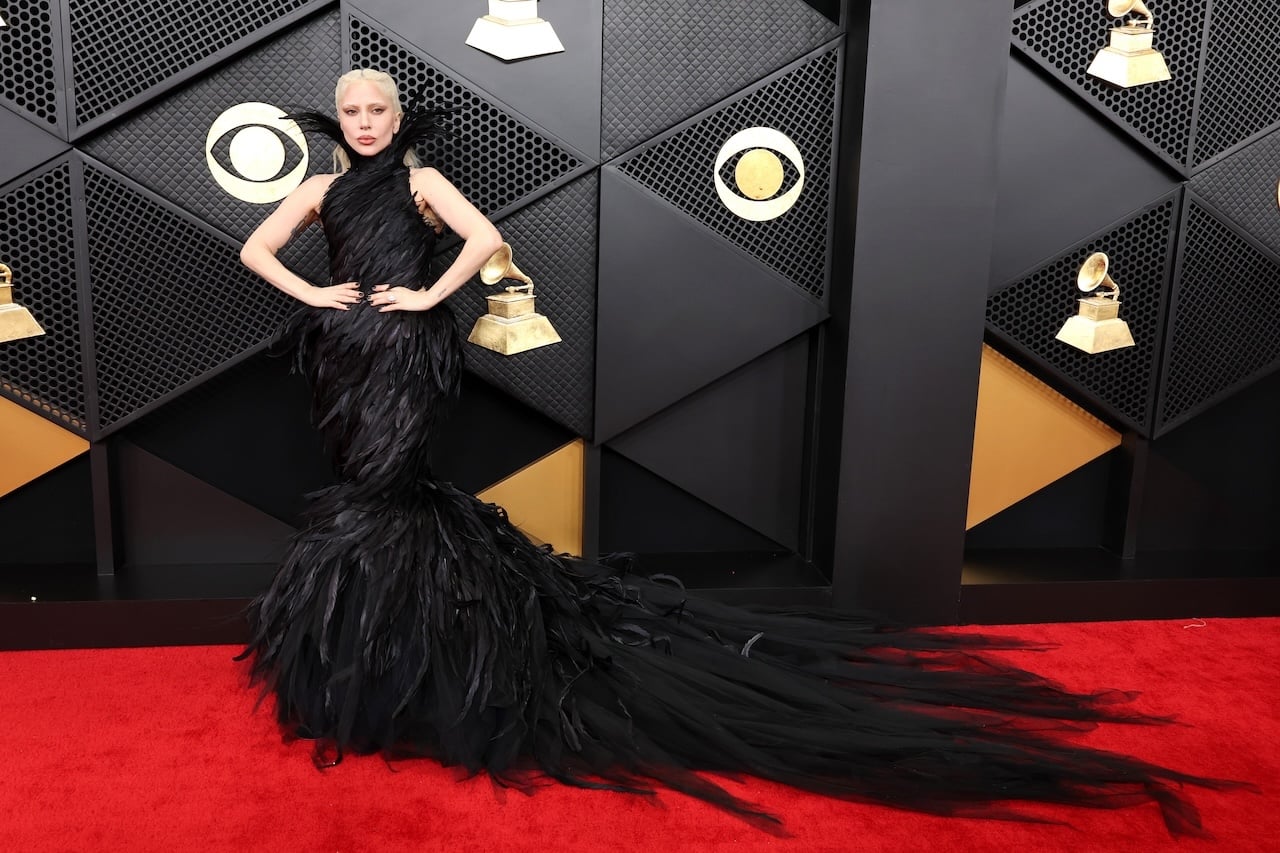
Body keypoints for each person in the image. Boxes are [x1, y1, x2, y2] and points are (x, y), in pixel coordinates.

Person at [237, 69, 1240, 836]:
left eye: (377, 110)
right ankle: (368, 664)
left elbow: (488, 238)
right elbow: (255, 250)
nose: (365, 123)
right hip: (342, 353)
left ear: (397, 117)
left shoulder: (421, 179)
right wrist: (315, 297)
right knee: (362, 488)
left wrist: (426, 296)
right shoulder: (324, 192)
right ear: (336, 118)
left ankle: (398, 658)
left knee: (390, 483)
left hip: (407, 353)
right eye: (352, 112)